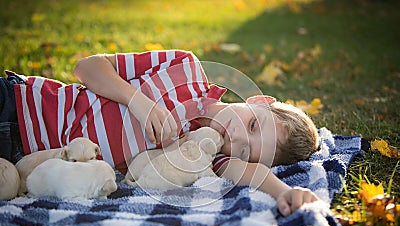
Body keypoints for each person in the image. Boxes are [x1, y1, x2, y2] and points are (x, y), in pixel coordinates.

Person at [0, 50, 319, 216]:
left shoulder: (203, 161)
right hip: (23, 106)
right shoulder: (186, 67)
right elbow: (86, 67)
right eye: (253, 125)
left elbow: (252, 174)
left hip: (24, 165)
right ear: (258, 100)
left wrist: (284, 193)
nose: (237, 139)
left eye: (246, 150)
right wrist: (138, 101)